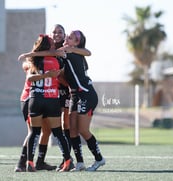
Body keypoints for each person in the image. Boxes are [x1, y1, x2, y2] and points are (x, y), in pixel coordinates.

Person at [18, 24, 92, 171]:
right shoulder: (44, 48)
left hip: (61, 92)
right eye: (54, 32)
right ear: (50, 35)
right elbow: (27, 66)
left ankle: (66, 160)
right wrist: (30, 60)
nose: (57, 34)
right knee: (41, 130)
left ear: (64, 35)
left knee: (65, 126)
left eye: (60, 32)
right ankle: (25, 162)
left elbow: (86, 54)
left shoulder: (65, 49)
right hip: (40, 95)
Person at [25, 34, 72, 172]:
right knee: (58, 132)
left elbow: (29, 78)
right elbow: (62, 73)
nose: (54, 47)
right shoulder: (57, 60)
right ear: (47, 46)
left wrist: (44, 75)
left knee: (34, 132)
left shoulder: (33, 59)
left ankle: (30, 163)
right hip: (51, 99)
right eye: (51, 44)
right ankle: (68, 161)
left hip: (36, 99)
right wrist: (49, 75)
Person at [61, 30, 106, 171]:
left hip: (86, 94)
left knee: (82, 130)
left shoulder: (70, 51)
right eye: (67, 36)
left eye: (71, 38)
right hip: (75, 95)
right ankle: (80, 162)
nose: (66, 38)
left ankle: (99, 159)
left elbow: (88, 52)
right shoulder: (67, 51)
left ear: (76, 43)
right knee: (72, 129)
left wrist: (31, 55)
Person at [14, 59, 56, 172]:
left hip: (43, 98)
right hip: (29, 99)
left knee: (47, 131)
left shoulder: (52, 60)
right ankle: (21, 163)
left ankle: (40, 162)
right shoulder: (35, 59)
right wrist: (29, 64)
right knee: (32, 132)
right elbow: (26, 64)